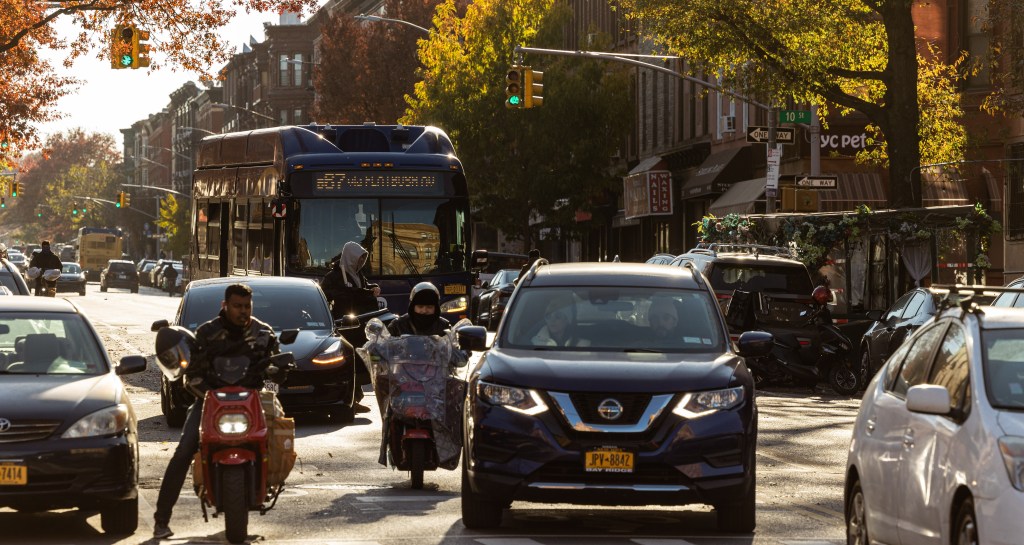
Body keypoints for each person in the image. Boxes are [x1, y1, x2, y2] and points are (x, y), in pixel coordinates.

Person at [152, 283, 280, 540]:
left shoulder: (264, 333)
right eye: (237, 306)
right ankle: (161, 519)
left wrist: (278, 374)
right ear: (225, 305)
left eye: (247, 306)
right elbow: (193, 374)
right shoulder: (207, 333)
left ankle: (270, 483)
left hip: (251, 401)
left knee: (279, 437)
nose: (243, 311)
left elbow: (274, 369)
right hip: (211, 402)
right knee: (185, 449)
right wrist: (204, 391)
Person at [320, 241, 381, 320]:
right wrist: (343, 293)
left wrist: (374, 287)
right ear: (351, 257)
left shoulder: (358, 273)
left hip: (361, 317)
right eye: (360, 257)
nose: (362, 259)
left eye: (363, 257)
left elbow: (363, 286)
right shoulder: (333, 275)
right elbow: (323, 294)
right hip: (342, 320)